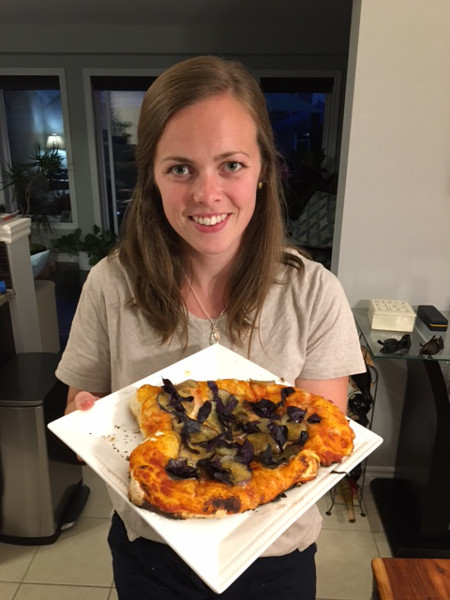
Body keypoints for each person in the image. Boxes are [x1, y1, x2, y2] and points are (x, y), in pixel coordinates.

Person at [57, 55, 365, 600]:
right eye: (180, 168)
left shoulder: (315, 292)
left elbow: (323, 444)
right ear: (151, 175)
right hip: (150, 553)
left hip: (276, 562)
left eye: (231, 165)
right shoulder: (109, 283)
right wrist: (83, 418)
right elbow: (82, 410)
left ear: (264, 168)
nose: (206, 194)